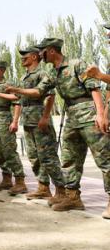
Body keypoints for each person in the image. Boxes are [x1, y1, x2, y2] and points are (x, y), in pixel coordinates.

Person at [8, 38, 110, 218]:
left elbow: (94, 88)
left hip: (88, 114)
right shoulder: (52, 72)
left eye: (42, 51)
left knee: (105, 159)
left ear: (52, 51)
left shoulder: (76, 64)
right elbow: (39, 91)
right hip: (71, 116)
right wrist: (17, 90)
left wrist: (101, 114)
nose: (40, 55)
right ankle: (73, 197)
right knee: (69, 158)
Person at [0, 47, 65, 203]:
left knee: (48, 157)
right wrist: (16, 120)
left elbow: (49, 96)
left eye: (25, 57)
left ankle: (61, 191)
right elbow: (19, 100)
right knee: (34, 157)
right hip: (28, 121)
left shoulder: (43, 73)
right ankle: (43, 187)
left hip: (39, 119)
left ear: (34, 57)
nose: (22, 59)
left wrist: (46, 117)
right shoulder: (25, 76)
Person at [0, 59, 27, 194]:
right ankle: (6, 179)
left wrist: (15, 121)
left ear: (2, 70)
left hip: (5, 120)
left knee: (9, 151)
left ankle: (20, 181)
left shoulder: (8, 84)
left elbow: (17, 101)